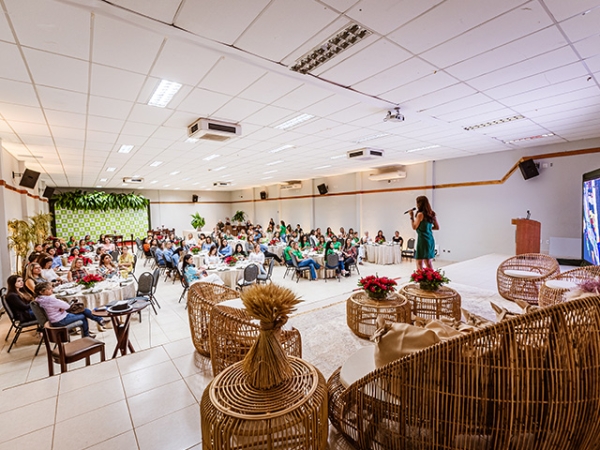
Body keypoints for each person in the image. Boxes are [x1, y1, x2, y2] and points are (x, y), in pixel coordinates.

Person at [35, 282, 107, 337]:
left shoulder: (38, 299)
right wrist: (61, 307)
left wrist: (60, 308)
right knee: (83, 313)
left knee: (83, 311)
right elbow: (67, 306)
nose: (52, 290)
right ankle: (97, 322)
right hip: (59, 320)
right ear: (41, 292)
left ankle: (97, 323)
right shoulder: (50, 299)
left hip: (54, 319)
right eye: (49, 289)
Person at [410, 195, 439, 269]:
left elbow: (414, 227)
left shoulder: (420, 214)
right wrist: (427, 228)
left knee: (419, 263)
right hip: (430, 239)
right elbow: (436, 227)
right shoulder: (431, 213)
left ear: (420, 204)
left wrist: (411, 217)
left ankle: (421, 279)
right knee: (428, 262)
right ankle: (431, 278)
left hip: (422, 240)